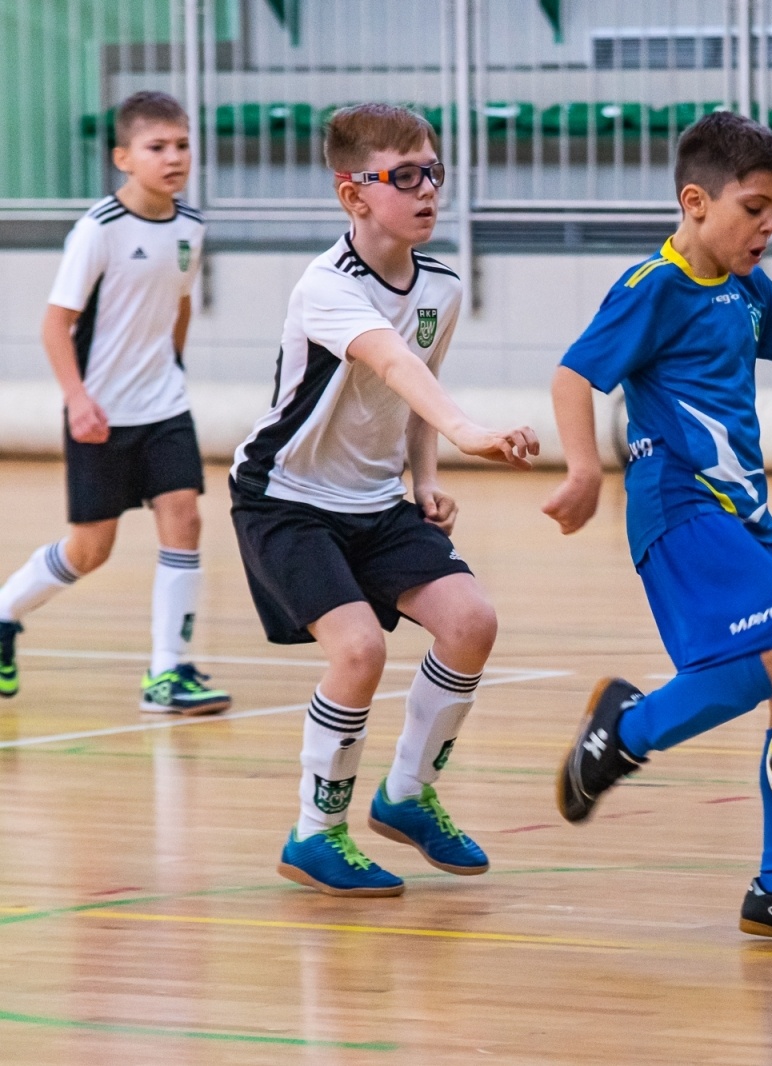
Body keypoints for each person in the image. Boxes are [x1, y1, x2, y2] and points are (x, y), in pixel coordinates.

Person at [543, 112, 772, 943]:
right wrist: (582, 470)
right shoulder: (655, 287)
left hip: (742, 516)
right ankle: (627, 730)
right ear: (696, 201)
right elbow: (574, 376)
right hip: (679, 505)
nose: (769, 225)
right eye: (755, 207)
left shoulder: (747, 290)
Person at [229, 103, 537, 897]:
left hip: (373, 499)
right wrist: (471, 431)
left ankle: (406, 794)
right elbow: (395, 365)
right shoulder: (327, 288)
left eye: (433, 170)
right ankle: (315, 833)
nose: (428, 188)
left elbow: (411, 396)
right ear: (353, 195)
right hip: (286, 498)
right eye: (404, 176)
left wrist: (425, 478)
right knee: (359, 652)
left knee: (472, 622)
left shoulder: (442, 285)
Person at [0, 91, 229, 715]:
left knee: (184, 514)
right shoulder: (97, 231)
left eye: (182, 145)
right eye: (158, 147)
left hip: (163, 407)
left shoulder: (192, 227)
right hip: (100, 413)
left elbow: (178, 303)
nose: (174, 157)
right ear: (124, 158)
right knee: (89, 549)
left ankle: (168, 672)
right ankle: (4, 613)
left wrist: (171, 368)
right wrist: (77, 400)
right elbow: (55, 325)